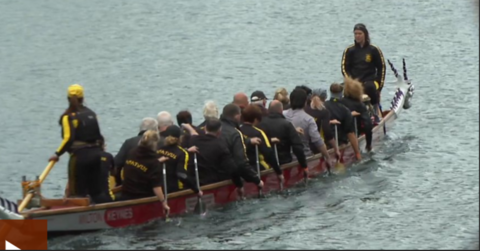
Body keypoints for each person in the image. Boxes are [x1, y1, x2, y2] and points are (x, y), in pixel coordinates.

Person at [49, 84, 113, 204]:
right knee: (96, 191)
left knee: (77, 194)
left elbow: (68, 139)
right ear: (83, 98)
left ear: (68, 99)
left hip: (80, 158)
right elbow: (99, 137)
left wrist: (57, 154)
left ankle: (73, 217)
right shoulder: (91, 114)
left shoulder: (68, 117)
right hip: (97, 155)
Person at [341, 23, 386, 122]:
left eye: (359, 33)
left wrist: (380, 85)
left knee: (369, 87)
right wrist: (350, 82)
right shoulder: (349, 50)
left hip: (370, 80)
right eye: (355, 34)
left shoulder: (374, 49)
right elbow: (344, 68)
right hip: (355, 81)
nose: (357, 36)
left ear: (365, 34)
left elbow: (381, 67)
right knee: (342, 91)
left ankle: (375, 112)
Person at [120, 130, 170, 213]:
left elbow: (143, 163)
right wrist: (163, 203)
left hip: (126, 193)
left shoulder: (132, 152)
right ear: (155, 143)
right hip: (141, 197)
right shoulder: (153, 161)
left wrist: (157, 162)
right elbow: (156, 187)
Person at [219, 104, 264, 198]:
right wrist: (257, 180)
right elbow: (241, 163)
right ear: (237, 116)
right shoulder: (235, 133)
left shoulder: (216, 128)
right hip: (229, 176)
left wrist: (248, 141)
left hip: (215, 172)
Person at [283, 88, 333, 170]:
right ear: (305, 102)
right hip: (304, 155)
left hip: (286, 156)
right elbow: (318, 141)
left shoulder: (282, 114)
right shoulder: (309, 119)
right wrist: (327, 157)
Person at [182, 118, 237, 185]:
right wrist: (239, 185)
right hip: (211, 182)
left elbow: (193, 133)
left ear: (205, 128)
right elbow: (232, 168)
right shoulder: (221, 146)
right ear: (219, 132)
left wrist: (188, 127)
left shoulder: (194, 140)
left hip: (194, 181)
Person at [257, 100, 308, 169]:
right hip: (284, 162)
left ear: (268, 110)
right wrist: (304, 165)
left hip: (266, 163)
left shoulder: (260, 124)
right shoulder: (287, 124)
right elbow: (297, 147)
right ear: (281, 110)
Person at [239, 105, 282, 182]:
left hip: (243, 168)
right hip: (258, 166)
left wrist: (269, 139)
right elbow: (269, 154)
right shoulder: (258, 132)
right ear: (255, 120)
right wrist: (279, 173)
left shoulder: (237, 131)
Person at [157, 125, 202, 196]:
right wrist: (196, 190)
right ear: (180, 138)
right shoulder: (182, 153)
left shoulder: (158, 148)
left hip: (159, 187)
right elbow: (182, 175)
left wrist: (187, 150)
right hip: (175, 189)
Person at [114, 117, 158, 185]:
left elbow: (116, 165)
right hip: (152, 186)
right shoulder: (160, 142)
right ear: (155, 130)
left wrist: (119, 182)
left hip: (130, 185)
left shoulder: (129, 143)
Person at [324, 83, 362, 160]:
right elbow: (350, 133)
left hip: (324, 141)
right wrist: (357, 153)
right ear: (342, 93)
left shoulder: (323, 106)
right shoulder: (345, 110)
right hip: (339, 142)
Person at [340, 76, 373, 152]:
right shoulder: (360, 105)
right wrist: (368, 144)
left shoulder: (340, 102)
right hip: (353, 133)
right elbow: (367, 124)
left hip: (340, 135)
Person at [304, 89, 340, 158]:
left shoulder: (305, 109)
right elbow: (327, 132)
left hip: (305, 145)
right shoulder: (324, 112)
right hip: (318, 146)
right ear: (325, 98)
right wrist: (336, 148)